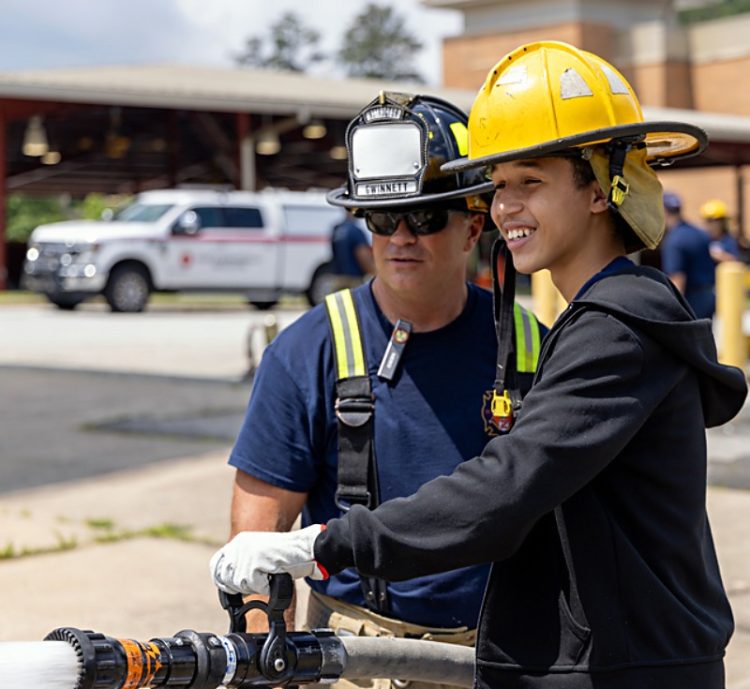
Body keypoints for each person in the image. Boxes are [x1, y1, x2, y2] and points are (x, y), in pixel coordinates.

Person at [212, 42, 747, 689]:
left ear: (603, 187)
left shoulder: (613, 329)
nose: (505, 207)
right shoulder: (600, 321)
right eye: (498, 187)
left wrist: (320, 543)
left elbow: (505, 488)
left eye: (531, 181)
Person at [219, 91, 544, 685]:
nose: (400, 237)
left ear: (474, 225)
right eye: (381, 219)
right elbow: (256, 547)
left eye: (423, 218)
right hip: (355, 659)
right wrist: (263, 663)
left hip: (502, 656)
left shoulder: (531, 347)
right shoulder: (307, 352)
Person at [660, 190, 717, 318]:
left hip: (692, 301)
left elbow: (677, 279)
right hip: (709, 297)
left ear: (663, 210)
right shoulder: (700, 233)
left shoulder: (674, 240)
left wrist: (674, 312)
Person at [329, 209, 374, 290]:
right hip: (353, 281)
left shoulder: (337, 229)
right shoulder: (355, 231)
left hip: (337, 279)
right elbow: (363, 257)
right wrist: (376, 273)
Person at [700, 199, 743, 263]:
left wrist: (716, 255)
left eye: (716, 221)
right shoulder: (702, 240)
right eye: (708, 221)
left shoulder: (729, 240)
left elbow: (735, 261)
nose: (711, 225)